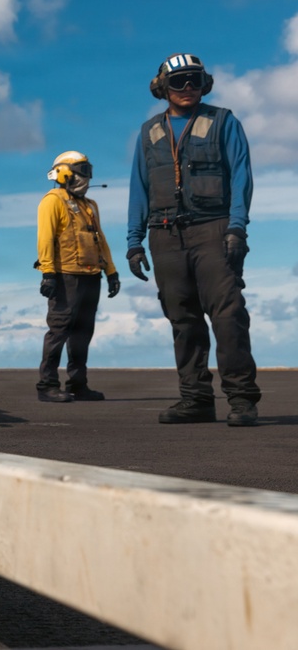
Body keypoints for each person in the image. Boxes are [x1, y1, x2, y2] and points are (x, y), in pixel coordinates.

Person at [126, 53, 260, 426]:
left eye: (194, 80)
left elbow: (241, 177)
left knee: (228, 314)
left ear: (205, 83)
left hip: (213, 229)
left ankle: (242, 400)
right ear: (162, 87)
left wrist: (237, 228)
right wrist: (134, 241)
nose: (187, 88)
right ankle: (196, 399)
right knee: (182, 320)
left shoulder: (224, 122)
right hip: (164, 235)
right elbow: (139, 187)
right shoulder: (149, 131)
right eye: (179, 81)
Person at [36, 151, 120, 402]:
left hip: (91, 276)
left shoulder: (90, 205)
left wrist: (111, 271)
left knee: (83, 332)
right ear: (64, 172)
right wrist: (48, 273)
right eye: (83, 169)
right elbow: (45, 239)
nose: (88, 175)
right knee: (59, 330)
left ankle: (77, 384)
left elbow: (100, 239)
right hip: (65, 277)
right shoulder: (52, 201)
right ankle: (47, 385)